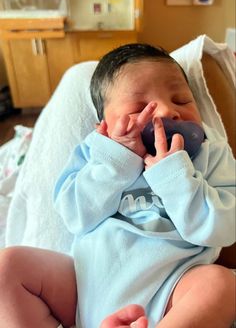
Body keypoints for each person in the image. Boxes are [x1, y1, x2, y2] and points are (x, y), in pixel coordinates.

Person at [0, 43, 235, 328]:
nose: (166, 111)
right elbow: (75, 217)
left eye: (182, 100)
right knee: (8, 266)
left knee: (221, 285)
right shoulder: (97, 151)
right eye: (139, 107)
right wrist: (115, 164)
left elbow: (223, 228)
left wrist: (176, 177)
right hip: (86, 283)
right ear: (104, 124)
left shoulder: (212, 152)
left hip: (171, 289)